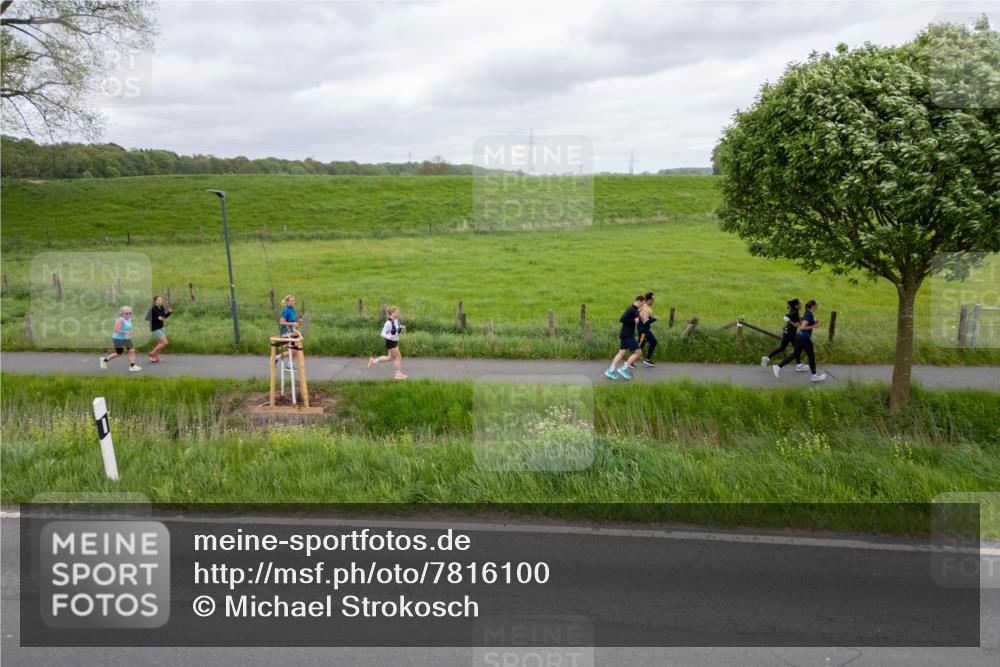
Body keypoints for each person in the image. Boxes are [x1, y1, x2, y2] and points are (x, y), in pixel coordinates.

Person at [773, 299, 826, 382]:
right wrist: (814, 326)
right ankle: (814, 376)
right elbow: (803, 327)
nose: (817, 306)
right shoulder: (809, 314)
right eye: (816, 305)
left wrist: (815, 322)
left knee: (795, 354)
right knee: (811, 356)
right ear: (812, 306)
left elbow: (803, 322)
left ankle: (778, 367)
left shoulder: (807, 313)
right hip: (804, 338)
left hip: (798, 336)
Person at [605, 295, 645, 380]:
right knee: (638, 352)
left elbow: (636, 313)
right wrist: (633, 321)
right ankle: (623, 369)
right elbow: (622, 319)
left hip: (625, 334)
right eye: (642, 303)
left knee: (621, 353)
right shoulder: (630, 309)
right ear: (639, 302)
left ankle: (610, 371)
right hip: (628, 335)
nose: (643, 305)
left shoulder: (634, 310)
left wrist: (639, 315)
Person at [761, 298, 806, 371]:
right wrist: (793, 323)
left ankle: (767, 358)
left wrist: (801, 319)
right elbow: (785, 317)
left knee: (782, 348)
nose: (801, 305)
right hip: (791, 333)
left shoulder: (795, 311)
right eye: (800, 304)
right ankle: (799, 365)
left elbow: (795, 319)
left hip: (786, 332)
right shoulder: (794, 312)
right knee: (797, 348)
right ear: (796, 305)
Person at [368, 306, 407, 380]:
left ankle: (373, 361)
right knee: (398, 357)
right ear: (392, 313)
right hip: (390, 342)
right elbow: (382, 333)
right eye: (397, 313)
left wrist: (401, 327)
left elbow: (396, 327)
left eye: (398, 312)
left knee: (390, 358)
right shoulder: (388, 323)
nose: (398, 314)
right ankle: (397, 375)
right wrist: (389, 337)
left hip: (395, 341)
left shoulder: (397, 320)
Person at [99, 306, 142, 372]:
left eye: (130, 313)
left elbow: (127, 327)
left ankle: (132, 366)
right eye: (126, 313)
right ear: (122, 313)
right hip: (118, 339)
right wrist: (126, 332)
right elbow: (115, 330)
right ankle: (104, 360)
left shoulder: (129, 319)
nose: (129, 315)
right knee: (119, 353)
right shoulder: (120, 320)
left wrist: (131, 332)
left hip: (125, 338)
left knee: (132, 350)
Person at [276, 294, 300, 370]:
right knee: (296, 350)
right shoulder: (286, 311)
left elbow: (294, 320)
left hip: (293, 332)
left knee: (296, 350)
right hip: (286, 332)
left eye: (294, 300)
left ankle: (278, 358)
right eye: (291, 301)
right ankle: (288, 364)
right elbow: (281, 322)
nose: (293, 302)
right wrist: (293, 323)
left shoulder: (293, 309)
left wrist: (298, 320)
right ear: (287, 302)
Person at [148, 295, 172, 363]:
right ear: (155, 301)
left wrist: (169, 313)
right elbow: (151, 319)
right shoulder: (153, 309)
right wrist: (158, 318)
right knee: (165, 342)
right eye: (159, 300)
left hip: (161, 327)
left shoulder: (161, 307)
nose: (160, 301)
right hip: (155, 327)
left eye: (161, 300)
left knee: (161, 343)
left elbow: (164, 317)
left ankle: (155, 358)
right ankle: (152, 353)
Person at [637, 292, 658, 367]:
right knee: (653, 342)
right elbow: (645, 322)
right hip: (644, 330)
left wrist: (652, 318)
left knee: (641, 344)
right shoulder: (647, 309)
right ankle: (647, 359)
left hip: (642, 329)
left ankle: (630, 362)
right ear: (649, 300)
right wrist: (654, 319)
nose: (653, 301)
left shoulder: (642, 306)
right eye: (653, 299)